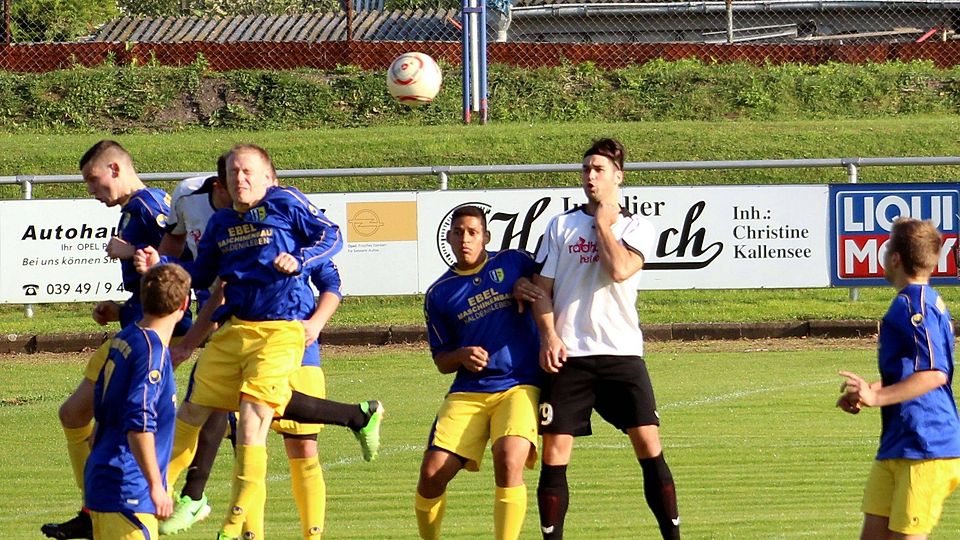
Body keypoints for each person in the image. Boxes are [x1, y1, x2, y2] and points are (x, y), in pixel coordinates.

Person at [135, 143, 381, 540]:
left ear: (269, 178)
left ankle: (234, 528)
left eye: (248, 171)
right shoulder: (220, 224)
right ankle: (153, 494)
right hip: (234, 329)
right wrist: (160, 265)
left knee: (260, 425)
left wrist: (300, 260)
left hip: (284, 330)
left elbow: (332, 238)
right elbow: (199, 274)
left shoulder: (286, 203)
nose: (240, 178)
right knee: (193, 413)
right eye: (233, 173)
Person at [530, 138, 680, 539]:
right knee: (555, 455)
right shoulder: (560, 225)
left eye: (598, 169)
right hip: (570, 356)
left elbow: (619, 269)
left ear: (619, 176)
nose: (590, 176)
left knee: (649, 446)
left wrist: (602, 223)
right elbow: (540, 288)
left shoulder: (637, 226)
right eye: (585, 169)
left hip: (621, 354)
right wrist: (548, 336)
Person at [42, 140, 192, 540]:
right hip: (132, 326)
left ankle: (169, 493)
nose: (92, 190)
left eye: (93, 180)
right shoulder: (133, 209)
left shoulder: (150, 207)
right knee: (75, 415)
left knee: (141, 416)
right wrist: (121, 307)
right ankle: (93, 509)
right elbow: (149, 282)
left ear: (114, 169)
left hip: (147, 338)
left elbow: (178, 270)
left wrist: (135, 252)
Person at [416, 205, 542, 540]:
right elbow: (442, 361)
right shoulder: (439, 294)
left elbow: (550, 282)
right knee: (431, 474)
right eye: (458, 232)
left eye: (472, 232)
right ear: (449, 238)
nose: (465, 238)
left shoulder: (514, 262)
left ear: (486, 236)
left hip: (519, 384)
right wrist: (460, 355)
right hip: (469, 391)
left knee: (509, 458)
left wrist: (524, 284)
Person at [837, 217, 960, 540]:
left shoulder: (916, 305)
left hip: (926, 446)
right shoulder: (908, 303)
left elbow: (934, 373)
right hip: (898, 442)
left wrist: (877, 397)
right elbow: (911, 372)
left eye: (887, 246)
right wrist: (867, 392)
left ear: (895, 258)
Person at [84, 263, 192, 539]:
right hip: (129, 489)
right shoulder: (152, 350)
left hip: (105, 481)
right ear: (185, 304)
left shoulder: (126, 337)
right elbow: (139, 420)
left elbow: (103, 402)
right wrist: (156, 485)